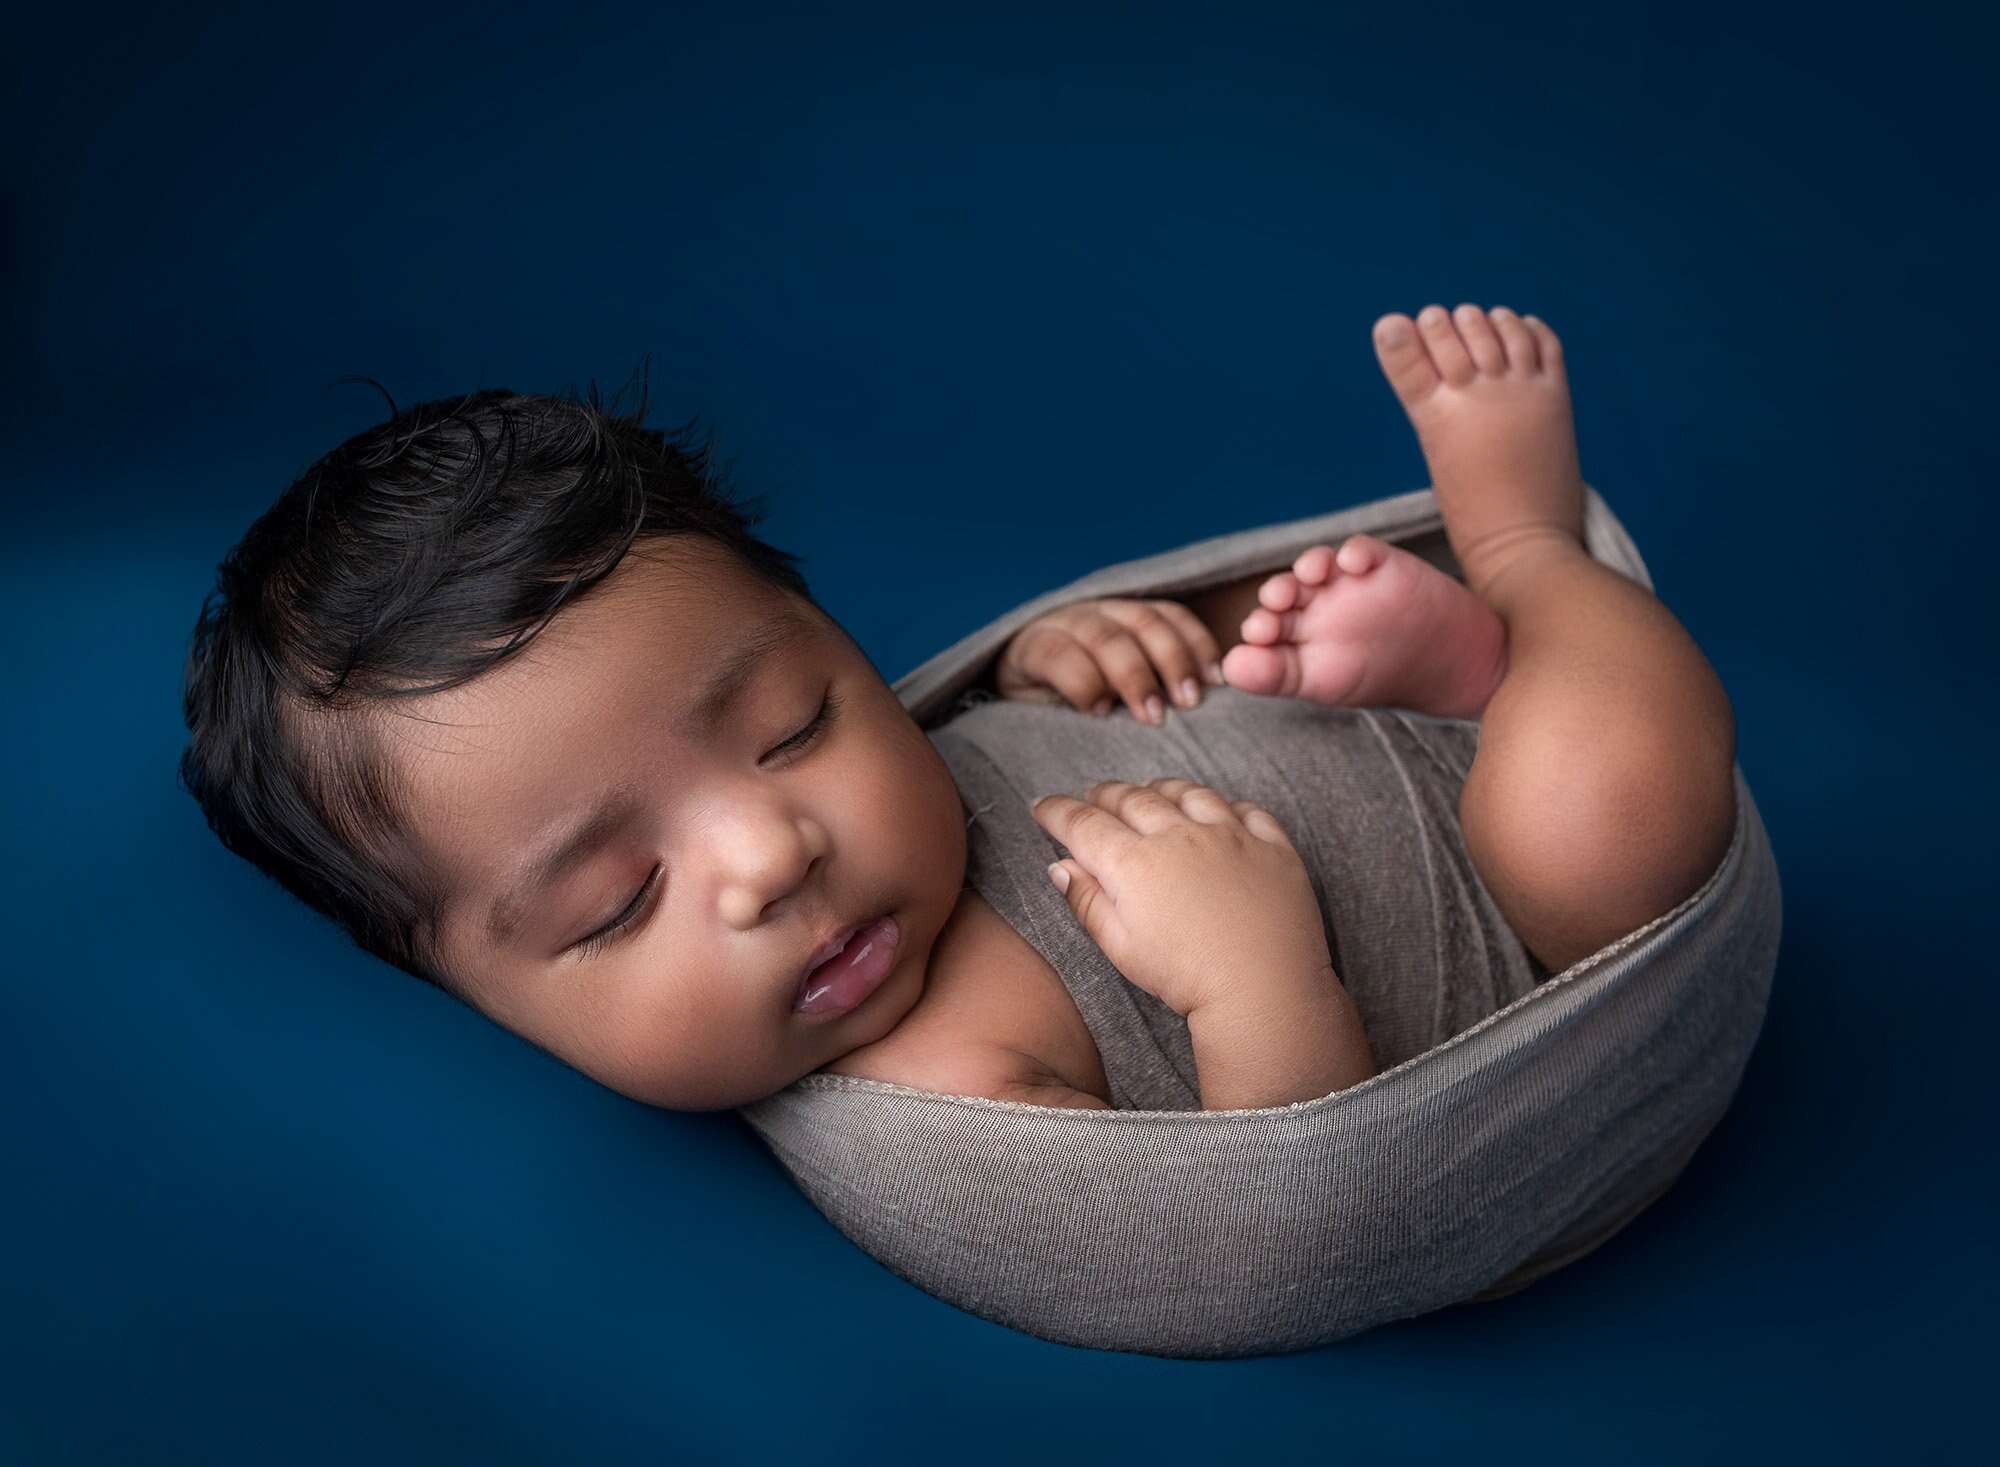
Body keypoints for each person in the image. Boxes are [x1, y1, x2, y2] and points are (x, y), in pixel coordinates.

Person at [179, 304, 1737, 1113]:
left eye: (797, 724)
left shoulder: (907, 802)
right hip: (1541, 928)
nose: (773, 851)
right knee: (1599, 824)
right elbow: (1286, 1222)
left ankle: (1470, 671)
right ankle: (1528, 552)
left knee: (1246, 648)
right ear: (470, 1004)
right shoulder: (950, 1100)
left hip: (1363, 747)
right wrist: (1255, 982)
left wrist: (1077, 659)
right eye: (618, 896)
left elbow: (987, 718)